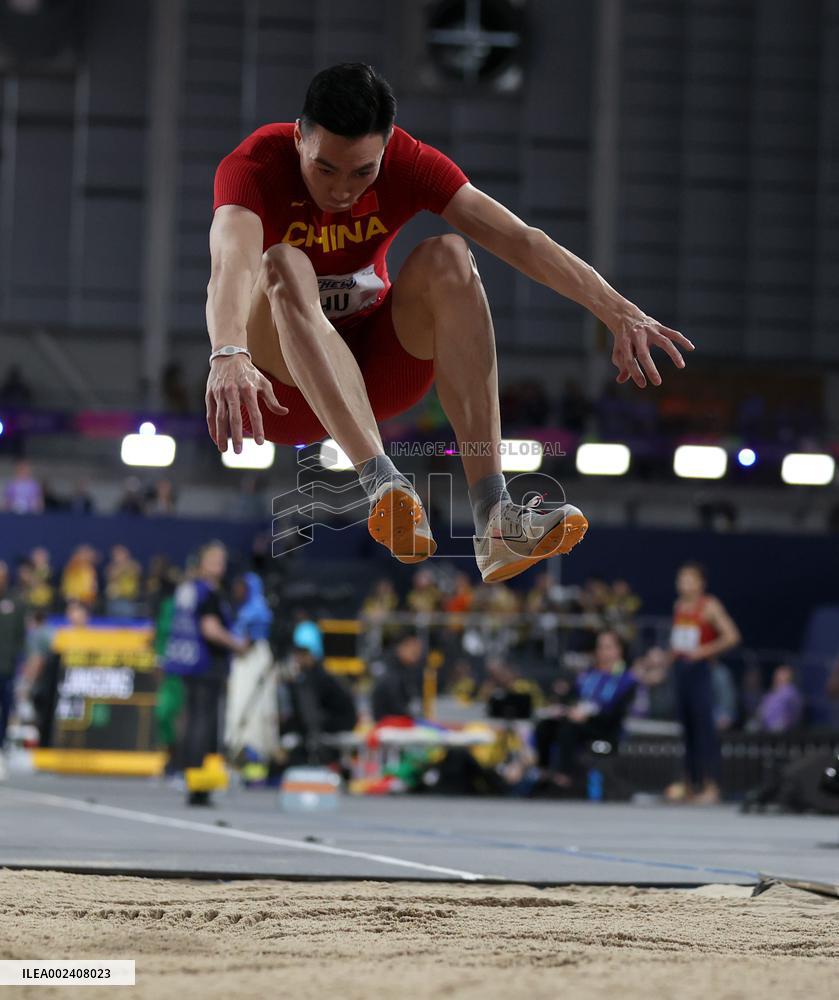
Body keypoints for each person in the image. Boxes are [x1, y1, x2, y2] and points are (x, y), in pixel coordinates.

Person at [205, 63, 692, 584]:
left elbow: (519, 238)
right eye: (326, 169)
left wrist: (617, 309)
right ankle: (382, 484)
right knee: (283, 261)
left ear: (387, 148)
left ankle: (496, 516)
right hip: (281, 388)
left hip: (378, 372)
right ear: (299, 137)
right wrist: (229, 352)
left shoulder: (410, 163)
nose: (342, 190)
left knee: (451, 257)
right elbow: (230, 265)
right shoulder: (255, 164)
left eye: (362, 172)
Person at [163, 542, 248, 805]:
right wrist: (237, 644)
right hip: (206, 663)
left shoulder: (188, 588)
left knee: (192, 720)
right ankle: (198, 782)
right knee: (204, 723)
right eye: (214, 560)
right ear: (201, 562)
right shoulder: (208, 593)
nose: (219, 566)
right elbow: (210, 629)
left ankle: (189, 776)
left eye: (222, 561)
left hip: (188, 661)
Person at [667, 561, 741, 805]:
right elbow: (678, 642)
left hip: (700, 671)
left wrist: (705, 651)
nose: (683, 584)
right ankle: (689, 784)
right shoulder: (679, 606)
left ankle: (712, 785)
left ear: (700, 583)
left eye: (688, 579)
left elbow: (732, 636)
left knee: (703, 729)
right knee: (686, 729)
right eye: (680, 579)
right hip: (681, 670)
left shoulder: (709, 606)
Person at [534, 629, 637, 790]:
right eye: (600, 647)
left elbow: (617, 712)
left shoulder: (626, 679)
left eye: (608, 647)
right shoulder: (589, 674)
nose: (603, 652)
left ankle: (564, 776)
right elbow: (574, 696)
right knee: (546, 726)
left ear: (619, 650)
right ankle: (543, 771)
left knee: (569, 729)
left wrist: (588, 716)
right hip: (579, 720)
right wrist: (565, 700)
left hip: (605, 727)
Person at [0, 562, 26, 778]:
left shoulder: (15, 602)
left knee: (5, 711)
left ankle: (0, 751)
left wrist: (18, 663)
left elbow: (21, 637)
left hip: (5, 668)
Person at [371, 627, 424, 721]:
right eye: (414, 651)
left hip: (395, 722)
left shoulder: (406, 668)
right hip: (388, 725)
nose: (418, 654)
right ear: (402, 647)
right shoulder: (390, 670)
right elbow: (396, 705)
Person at [755, 665, 804, 734]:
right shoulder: (771, 693)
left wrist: (783, 724)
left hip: (783, 732)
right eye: (776, 675)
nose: (776, 678)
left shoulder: (791, 692)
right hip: (765, 730)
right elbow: (762, 711)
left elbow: (794, 713)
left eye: (781, 675)